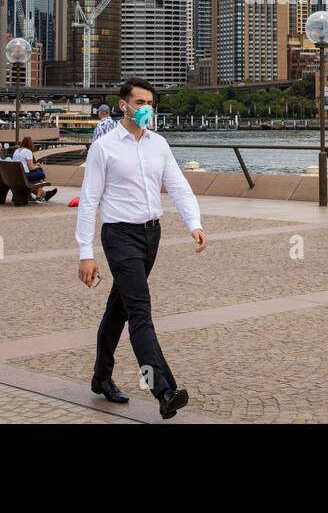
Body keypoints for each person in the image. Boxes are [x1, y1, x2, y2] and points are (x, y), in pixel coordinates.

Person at [76, 78, 207, 419]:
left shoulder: (159, 145)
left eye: (149, 102)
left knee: (119, 307)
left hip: (151, 235)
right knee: (140, 312)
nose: (145, 107)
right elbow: (88, 202)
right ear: (124, 105)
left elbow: (178, 185)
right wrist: (85, 252)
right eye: (139, 101)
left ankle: (100, 377)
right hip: (119, 235)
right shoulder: (104, 148)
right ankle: (164, 391)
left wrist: (194, 223)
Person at [12, 137, 56, 202]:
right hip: (25, 176)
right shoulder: (28, 151)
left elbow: (25, 164)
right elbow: (31, 168)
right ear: (30, 144)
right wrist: (38, 166)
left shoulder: (16, 151)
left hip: (16, 176)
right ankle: (38, 198)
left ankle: (39, 195)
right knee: (41, 173)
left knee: (38, 171)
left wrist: (36, 165)